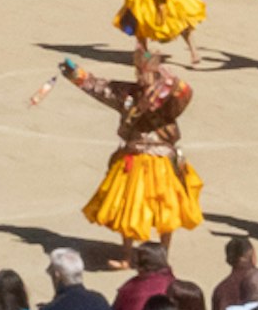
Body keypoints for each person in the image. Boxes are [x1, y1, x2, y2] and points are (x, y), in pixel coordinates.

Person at [62, 44, 202, 265]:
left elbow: (186, 95)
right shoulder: (128, 93)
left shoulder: (167, 94)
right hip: (133, 154)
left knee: (167, 209)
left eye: (144, 72)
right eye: (138, 71)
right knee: (128, 206)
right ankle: (126, 256)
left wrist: (174, 82)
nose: (141, 76)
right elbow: (100, 88)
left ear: (155, 72)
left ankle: (164, 254)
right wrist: (76, 74)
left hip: (161, 157)